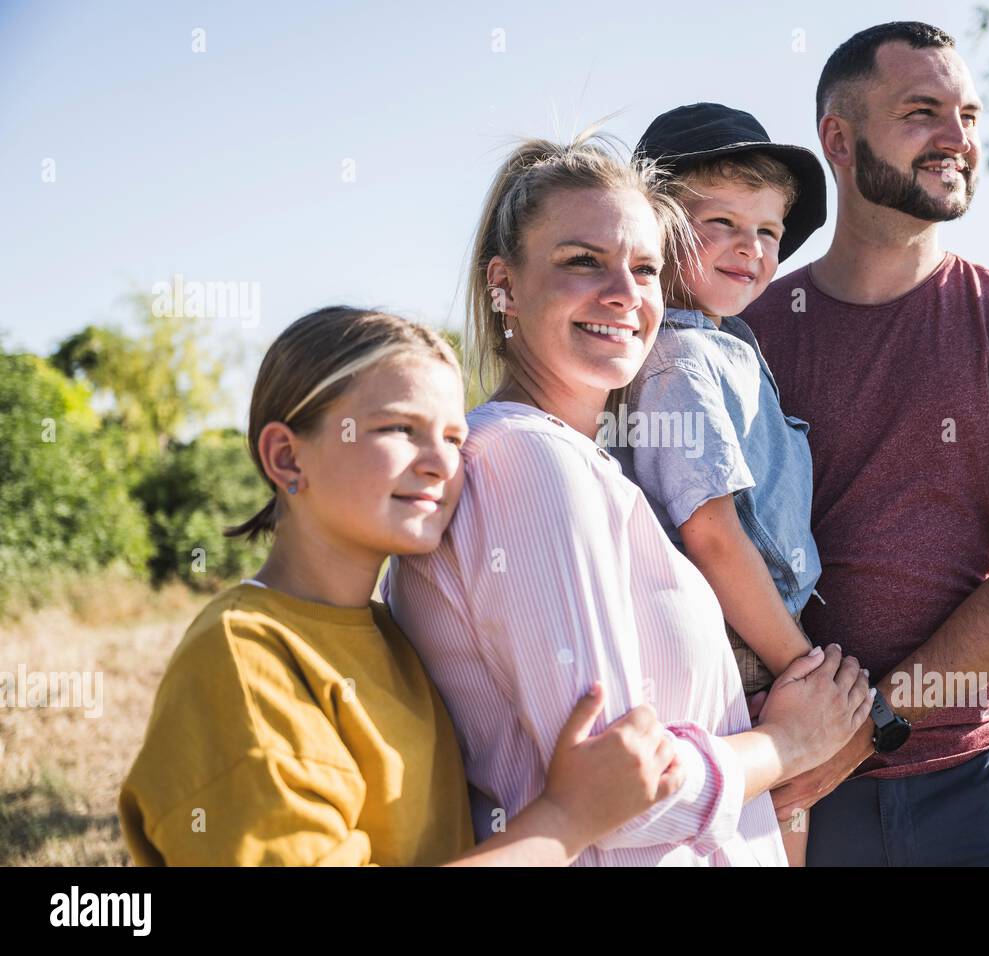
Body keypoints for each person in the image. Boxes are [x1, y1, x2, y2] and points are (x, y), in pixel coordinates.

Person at [383, 132, 874, 866]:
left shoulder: (595, 464)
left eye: (644, 268)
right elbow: (620, 800)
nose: (624, 295)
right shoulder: (529, 461)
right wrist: (791, 741)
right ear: (503, 286)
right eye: (583, 261)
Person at [118, 306, 688, 866]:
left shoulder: (394, 633)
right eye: (399, 428)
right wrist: (567, 819)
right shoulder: (244, 660)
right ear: (287, 458)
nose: (441, 462)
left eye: (453, 437)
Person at [741, 21, 989, 866]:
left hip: (977, 779)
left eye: (970, 115)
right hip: (792, 791)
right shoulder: (748, 335)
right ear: (839, 139)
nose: (959, 139)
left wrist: (869, 727)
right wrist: (807, 746)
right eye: (922, 111)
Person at [610, 102, 830, 866]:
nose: (752, 248)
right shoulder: (679, 356)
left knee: (783, 817)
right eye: (723, 224)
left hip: (760, 630)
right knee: (772, 812)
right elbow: (712, 531)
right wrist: (803, 666)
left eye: (768, 231)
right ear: (657, 230)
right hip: (741, 642)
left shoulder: (728, 346)